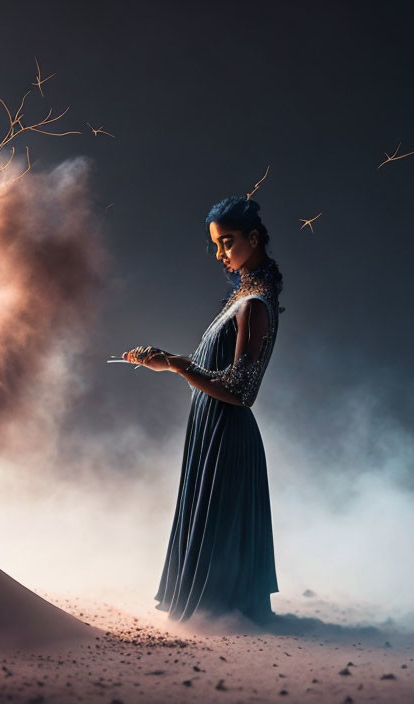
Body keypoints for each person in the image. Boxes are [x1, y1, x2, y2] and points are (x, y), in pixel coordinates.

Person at [122, 195, 283, 626]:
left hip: (227, 436)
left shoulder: (255, 304)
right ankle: (212, 618)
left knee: (221, 547)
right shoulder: (245, 295)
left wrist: (174, 364)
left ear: (253, 238)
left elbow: (241, 390)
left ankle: (222, 623)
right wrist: (167, 359)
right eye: (216, 245)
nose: (221, 253)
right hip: (212, 430)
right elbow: (216, 373)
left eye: (227, 242)